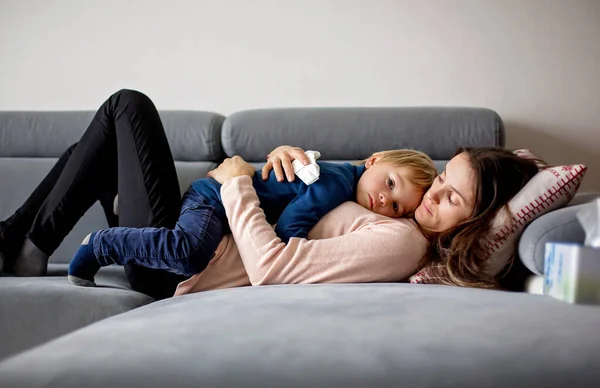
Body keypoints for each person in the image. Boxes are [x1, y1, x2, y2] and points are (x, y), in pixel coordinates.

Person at [0, 89, 540, 300]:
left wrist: (236, 177)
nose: (429, 198)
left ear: (478, 222)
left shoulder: (403, 242)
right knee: (97, 146)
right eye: (442, 180)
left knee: (126, 107)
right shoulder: (383, 204)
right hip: (197, 232)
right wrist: (283, 159)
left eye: (450, 200)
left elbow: (272, 268)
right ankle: (15, 240)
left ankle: (26, 242)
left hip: (181, 261)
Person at [66, 145, 437, 286]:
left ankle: (117, 211)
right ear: (373, 160)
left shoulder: (345, 185)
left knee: (190, 250)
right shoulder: (335, 183)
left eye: (396, 207)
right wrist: (290, 245)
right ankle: (102, 245)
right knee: (189, 251)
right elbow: (294, 221)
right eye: (389, 182)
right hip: (215, 197)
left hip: (221, 207)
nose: (382, 201)